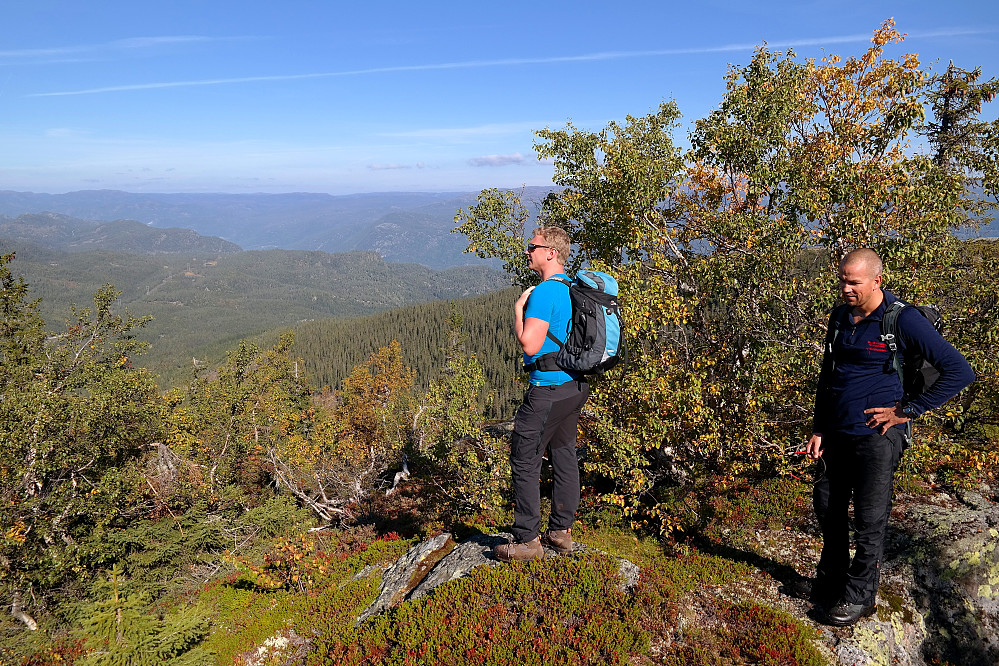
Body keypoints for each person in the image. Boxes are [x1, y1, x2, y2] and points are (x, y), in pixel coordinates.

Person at [803, 248, 975, 626]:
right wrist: (818, 428)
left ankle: (860, 596)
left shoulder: (903, 320)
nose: (845, 288)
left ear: (876, 281)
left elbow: (960, 371)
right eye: (842, 280)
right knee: (827, 506)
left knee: (869, 518)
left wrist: (906, 412)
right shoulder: (840, 316)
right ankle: (831, 580)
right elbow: (828, 376)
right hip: (837, 432)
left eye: (853, 282)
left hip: (879, 437)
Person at [495, 226, 589, 562]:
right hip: (574, 386)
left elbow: (530, 344)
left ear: (551, 252)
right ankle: (561, 531)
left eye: (532, 246)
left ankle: (527, 540)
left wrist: (518, 313)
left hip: (548, 388)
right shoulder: (573, 288)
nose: (527, 251)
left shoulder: (545, 292)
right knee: (563, 453)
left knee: (524, 457)